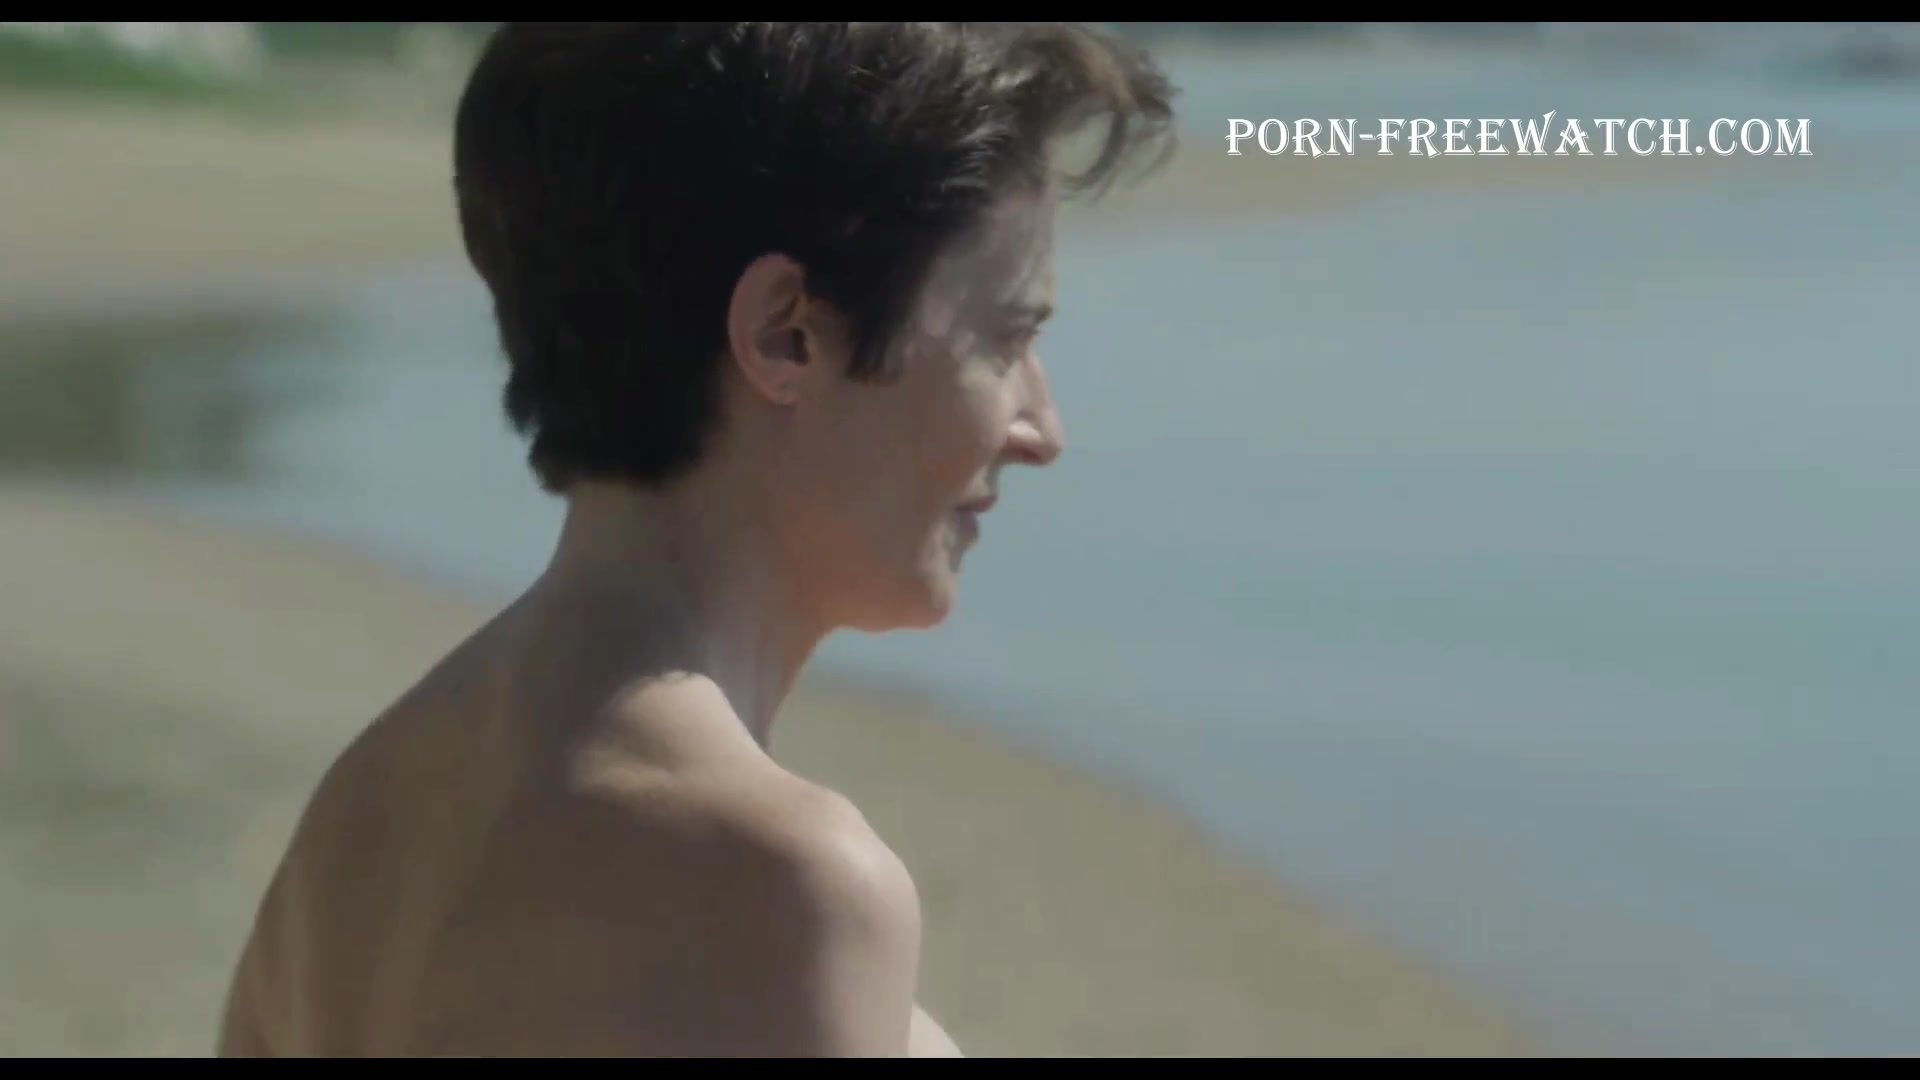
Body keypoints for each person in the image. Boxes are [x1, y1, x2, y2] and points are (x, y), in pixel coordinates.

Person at [216, 22, 1175, 1057]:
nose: (1042, 429)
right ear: (784, 333)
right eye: (1007, 338)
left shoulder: (363, 817)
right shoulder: (784, 889)